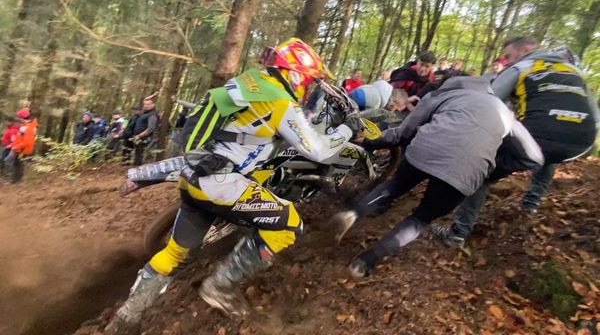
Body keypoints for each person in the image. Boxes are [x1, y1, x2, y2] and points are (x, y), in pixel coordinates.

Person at [104, 38, 363, 335]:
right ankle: (220, 286)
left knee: (175, 253)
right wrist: (348, 128)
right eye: (311, 81)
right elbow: (317, 149)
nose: (311, 88)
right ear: (296, 75)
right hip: (221, 184)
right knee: (289, 224)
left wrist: (143, 174)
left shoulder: (250, 82)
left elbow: (241, 128)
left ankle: (124, 319)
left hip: (194, 178)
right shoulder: (280, 100)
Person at [333, 76, 544, 278]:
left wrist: (371, 141)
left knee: (394, 187)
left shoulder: (446, 94)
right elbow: (534, 157)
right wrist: (490, 169)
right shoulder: (504, 112)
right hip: (467, 172)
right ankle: (364, 262)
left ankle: (353, 214)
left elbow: (403, 133)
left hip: (426, 150)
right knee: (419, 219)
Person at [433, 37, 599, 247]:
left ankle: (457, 233)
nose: (507, 62)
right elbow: (595, 115)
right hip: (582, 142)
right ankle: (531, 205)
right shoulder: (573, 71)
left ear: (527, 49)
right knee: (548, 150)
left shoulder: (522, 67)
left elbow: (486, 102)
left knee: (481, 171)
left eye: (509, 57)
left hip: (539, 138)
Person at [4, 109, 38, 183]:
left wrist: (15, 147)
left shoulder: (29, 128)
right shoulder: (25, 126)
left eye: (19, 117)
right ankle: (15, 180)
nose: (18, 119)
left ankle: (16, 181)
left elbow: (26, 142)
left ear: (23, 118)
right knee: (17, 163)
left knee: (18, 164)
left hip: (23, 149)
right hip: (19, 148)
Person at [130, 98, 159, 166]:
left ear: (153, 105)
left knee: (141, 156)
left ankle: (139, 171)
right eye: (145, 104)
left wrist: (139, 136)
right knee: (137, 155)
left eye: (148, 104)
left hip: (145, 139)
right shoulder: (144, 113)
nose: (146, 106)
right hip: (138, 138)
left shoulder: (152, 115)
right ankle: (135, 171)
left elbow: (150, 128)